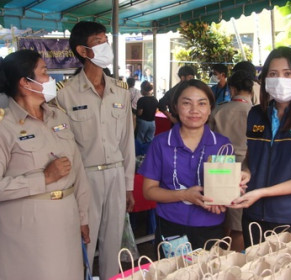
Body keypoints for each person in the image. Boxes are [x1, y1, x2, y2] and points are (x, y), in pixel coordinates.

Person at [0, 49, 90, 279]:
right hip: (28, 229)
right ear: (25, 82)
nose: (51, 79)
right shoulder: (5, 125)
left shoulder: (57, 117)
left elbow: (77, 169)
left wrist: (83, 217)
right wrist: (44, 178)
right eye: (44, 73)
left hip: (67, 221)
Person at [56, 21, 136, 280]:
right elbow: (63, 147)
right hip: (84, 178)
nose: (106, 47)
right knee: (84, 244)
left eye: (106, 41)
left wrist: (128, 185)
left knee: (114, 243)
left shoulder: (120, 91)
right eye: (99, 42)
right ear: (83, 51)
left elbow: (127, 143)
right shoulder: (65, 94)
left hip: (115, 174)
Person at [230, 47, 291, 247]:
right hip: (254, 215)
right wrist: (246, 172)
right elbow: (252, 156)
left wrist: (262, 192)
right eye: (273, 74)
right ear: (265, 79)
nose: (279, 79)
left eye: (287, 74)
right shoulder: (256, 114)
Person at [139, 79, 249, 251]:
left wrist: (229, 195)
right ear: (175, 106)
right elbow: (148, 191)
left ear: (210, 108)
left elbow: (224, 188)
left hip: (211, 228)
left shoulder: (221, 144)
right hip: (171, 227)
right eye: (186, 103)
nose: (194, 110)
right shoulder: (160, 143)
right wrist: (184, 195)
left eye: (202, 103)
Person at [208, 70, 255, 252]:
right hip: (245, 170)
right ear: (252, 90)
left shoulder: (218, 110)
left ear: (232, 89)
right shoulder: (256, 113)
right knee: (238, 226)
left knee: (220, 218)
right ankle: (233, 261)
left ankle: (219, 257)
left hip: (218, 166)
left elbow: (209, 141)